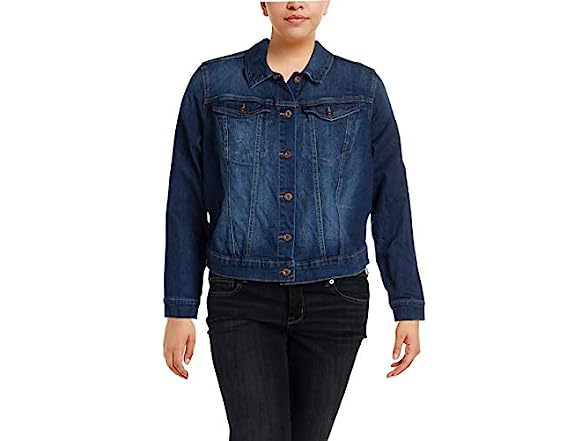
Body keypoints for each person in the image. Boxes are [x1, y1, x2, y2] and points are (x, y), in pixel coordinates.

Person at [163, 1, 425, 439]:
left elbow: (391, 200)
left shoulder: (362, 89)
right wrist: (179, 307)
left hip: (335, 297)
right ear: (263, 3)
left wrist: (407, 304)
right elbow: (185, 200)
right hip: (241, 295)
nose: (296, 2)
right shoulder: (213, 85)